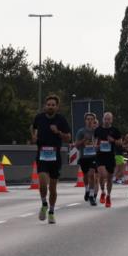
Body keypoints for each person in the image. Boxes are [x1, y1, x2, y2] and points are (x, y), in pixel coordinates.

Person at [30, 95, 71, 224]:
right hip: (42, 155)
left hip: (55, 157)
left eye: (53, 105)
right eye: (49, 104)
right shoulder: (39, 118)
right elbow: (33, 128)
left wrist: (58, 132)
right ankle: (44, 203)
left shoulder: (61, 120)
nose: (50, 106)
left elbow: (68, 138)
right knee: (42, 182)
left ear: (57, 107)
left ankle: (52, 212)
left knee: (52, 188)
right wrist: (34, 137)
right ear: (45, 106)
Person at [93, 112, 122, 208]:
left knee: (109, 178)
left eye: (109, 119)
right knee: (102, 175)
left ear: (112, 120)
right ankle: (102, 191)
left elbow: (120, 143)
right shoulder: (98, 130)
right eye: (105, 119)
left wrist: (113, 140)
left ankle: (108, 196)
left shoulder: (115, 131)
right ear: (103, 119)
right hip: (100, 156)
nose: (107, 121)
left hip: (110, 156)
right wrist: (96, 146)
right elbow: (95, 142)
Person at [74, 112, 99, 206]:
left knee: (91, 174)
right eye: (88, 119)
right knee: (85, 176)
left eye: (91, 119)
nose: (89, 121)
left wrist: (97, 146)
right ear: (85, 121)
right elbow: (76, 146)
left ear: (94, 121)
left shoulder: (96, 132)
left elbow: (100, 142)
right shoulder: (81, 131)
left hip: (93, 156)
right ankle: (87, 189)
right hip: (84, 157)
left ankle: (92, 196)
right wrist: (83, 140)